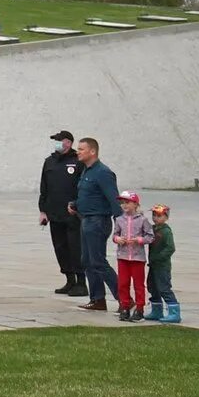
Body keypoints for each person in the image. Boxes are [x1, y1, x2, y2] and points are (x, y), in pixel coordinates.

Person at [72, 137, 118, 311]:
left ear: (92, 151)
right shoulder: (86, 171)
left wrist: (121, 223)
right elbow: (89, 195)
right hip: (85, 219)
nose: (78, 152)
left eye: (81, 149)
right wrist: (75, 205)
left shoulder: (103, 172)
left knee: (98, 261)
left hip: (98, 221)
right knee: (87, 261)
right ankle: (98, 299)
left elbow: (113, 199)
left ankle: (124, 299)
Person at [38, 130, 84, 296]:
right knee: (60, 247)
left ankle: (81, 282)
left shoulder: (78, 161)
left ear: (68, 143)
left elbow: (83, 187)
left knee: (75, 246)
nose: (57, 143)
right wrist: (43, 210)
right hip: (54, 213)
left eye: (59, 140)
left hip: (73, 214)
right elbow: (44, 188)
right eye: (55, 141)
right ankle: (69, 279)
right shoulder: (49, 162)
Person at [110, 189, 153, 320]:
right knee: (123, 283)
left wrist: (140, 240)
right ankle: (125, 306)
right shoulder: (119, 219)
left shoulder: (142, 220)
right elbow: (115, 234)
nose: (125, 205)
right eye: (122, 203)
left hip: (137, 258)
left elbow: (150, 236)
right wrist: (118, 239)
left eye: (127, 202)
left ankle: (139, 308)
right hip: (123, 257)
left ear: (135, 204)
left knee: (138, 284)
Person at [145, 203, 180, 323]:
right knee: (152, 286)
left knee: (164, 287)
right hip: (153, 265)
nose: (155, 218)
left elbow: (170, 248)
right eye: (154, 215)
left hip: (162, 266)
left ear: (166, 217)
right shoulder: (153, 229)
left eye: (159, 216)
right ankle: (157, 309)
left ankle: (174, 311)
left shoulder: (166, 231)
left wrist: (159, 257)